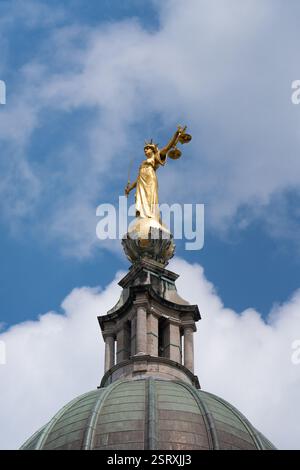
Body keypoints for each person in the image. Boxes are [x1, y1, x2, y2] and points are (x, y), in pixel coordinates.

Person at [125, 126, 185, 221]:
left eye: (147, 149)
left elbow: (168, 146)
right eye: (145, 149)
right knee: (141, 200)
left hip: (150, 179)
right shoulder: (143, 163)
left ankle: (151, 216)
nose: (145, 151)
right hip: (142, 181)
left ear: (152, 150)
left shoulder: (156, 156)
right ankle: (144, 216)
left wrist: (176, 134)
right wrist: (130, 189)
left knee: (150, 198)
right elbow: (138, 179)